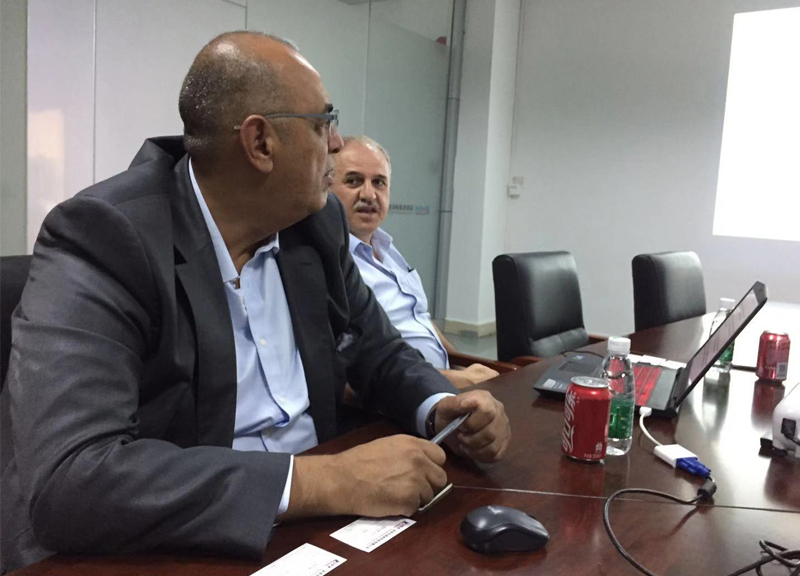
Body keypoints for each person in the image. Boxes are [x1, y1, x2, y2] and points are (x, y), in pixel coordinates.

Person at [0, 31, 511, 573]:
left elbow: (378, 350)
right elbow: (73, 478)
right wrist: (323, 480)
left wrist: (439, 406)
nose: (336, 142)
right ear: (261, 142)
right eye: (323, 123)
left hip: (320, 532)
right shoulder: (105, 235)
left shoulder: (315, 222)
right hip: (170, 543)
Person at [331, 136, 498, 389]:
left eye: (379, 182)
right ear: (327, 186)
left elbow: (418, 316)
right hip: (402, 397)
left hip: (443, 383)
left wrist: (460, 364)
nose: (369, 194)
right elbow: (349, 373)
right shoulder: (332, 263)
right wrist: (455, 380)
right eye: (354, 181)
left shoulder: (387, 249)